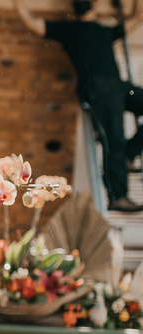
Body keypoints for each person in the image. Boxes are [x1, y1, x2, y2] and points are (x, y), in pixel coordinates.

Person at [14, 0, 143, 211]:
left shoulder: (104, 31)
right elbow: (32, 23)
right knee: (114, 138)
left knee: (119, 142)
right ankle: (118, 196)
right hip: (98, 90)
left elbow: (137, 17)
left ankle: (130, 153)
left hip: (119, 87)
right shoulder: (68, 30)